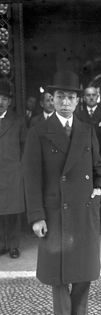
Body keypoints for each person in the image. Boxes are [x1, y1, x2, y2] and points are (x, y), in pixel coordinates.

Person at [23, 71, 101, 315]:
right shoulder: (38, 131)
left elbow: (99, 166)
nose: (65, 102)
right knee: (59, 271)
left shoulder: (87, 130)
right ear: (52, 99)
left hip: (83, 208)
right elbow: (31, 177)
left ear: (77, 101)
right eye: (60, 96)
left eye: (71, 97)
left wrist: (99, 189)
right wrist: (36, 215)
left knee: (84, 266)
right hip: (54, 210)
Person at [77, 86, 101, 231]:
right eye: (88, 95)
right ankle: (86, 222)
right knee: (84, 190)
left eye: (94, 95)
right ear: (84, 98)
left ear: (98, 97)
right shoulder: (78, 116)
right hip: (82, 160)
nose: (91, 98)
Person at [0, 78, 27, 259]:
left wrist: (21, 170)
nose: (0, 102)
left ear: (9, 101)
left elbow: (25, 148)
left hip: (12, 173)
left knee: (12, 212)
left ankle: (13, 245)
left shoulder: (18, 121)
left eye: (3, 98)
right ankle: (2, 244)